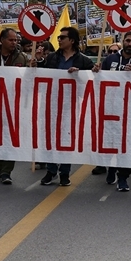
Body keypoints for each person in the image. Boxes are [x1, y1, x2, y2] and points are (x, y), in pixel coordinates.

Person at [40, 27, 96, 187]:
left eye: (63, 37)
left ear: (72, 40)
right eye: (59, 37)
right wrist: (36, 63)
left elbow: (94, 78)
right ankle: (51, 171)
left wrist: (83, 74)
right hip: (51, 104)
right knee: (49, 139)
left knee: (67, 139)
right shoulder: (51, 58)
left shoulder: (83, 60)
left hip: (70, 107)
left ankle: (64, 173)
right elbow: (41, 76)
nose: (59, 40)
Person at [98, 31, 131, 191]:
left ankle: (123, 177)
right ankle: (111, 168)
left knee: (127, 146)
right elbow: (101, 81)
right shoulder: (110, 60)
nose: (129, 44)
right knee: (110, 143)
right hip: (111, 111)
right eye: (127, 40)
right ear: (123, 41)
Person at [0, 29, 29, 185]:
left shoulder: (22, 57)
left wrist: (32, 68)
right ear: (1, 40)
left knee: (9, 138)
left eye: (16, 40)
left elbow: (29, 80)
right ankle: (0, 168)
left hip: (13, 104)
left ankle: (6, 171)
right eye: (11, 40)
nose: (14, 43)